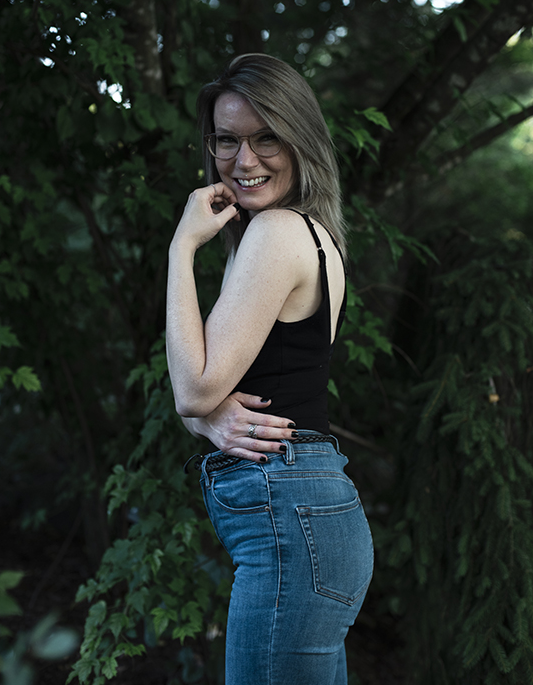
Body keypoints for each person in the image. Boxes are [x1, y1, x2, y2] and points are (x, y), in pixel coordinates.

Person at [166, 53, 373, 685]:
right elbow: (211, 397)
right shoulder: (301, 234)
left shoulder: (278, 232)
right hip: (306, 520)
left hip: (293, 524)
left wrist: (182, 246)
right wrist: (208, 420)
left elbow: (194, 389)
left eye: (266, 139)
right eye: (227, 140)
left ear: (299, 140)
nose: (244, 159)